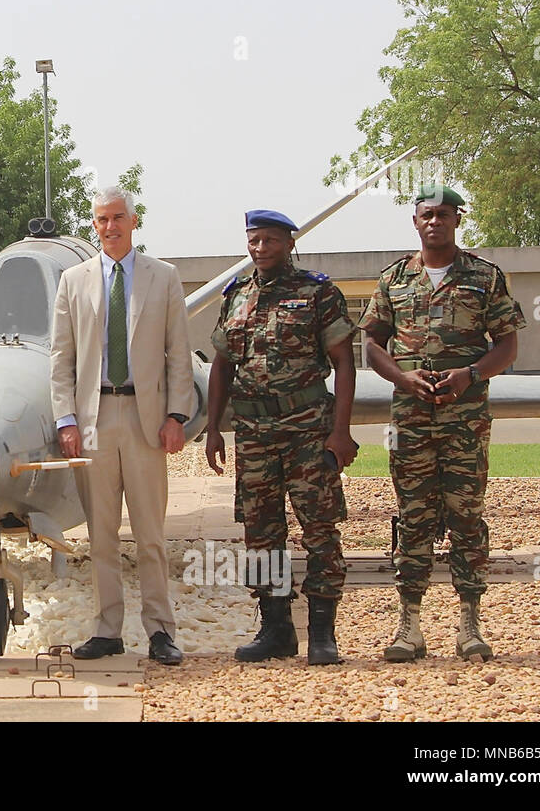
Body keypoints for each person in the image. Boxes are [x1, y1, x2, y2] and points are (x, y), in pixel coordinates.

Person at [360, 184, 525, 662]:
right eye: (426, 215)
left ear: (457, 220)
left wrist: (470, 374)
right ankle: (408, 626)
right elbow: (371, 343)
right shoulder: (394, 279)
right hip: (410, 419)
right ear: (416, 222)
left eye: (444, 215)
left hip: (465, 421)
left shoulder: (484, 277)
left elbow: (507, 345)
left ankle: (469, 624)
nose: (435, 222)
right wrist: (403, 379)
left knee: (466, 517)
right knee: (413, 517)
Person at [50, 187, 197, 664]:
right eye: (100, 220)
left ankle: (160, 631)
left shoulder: (164, 277)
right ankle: (107, 628)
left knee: (151, 532)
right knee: (102, 533)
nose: (109, 227)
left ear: (134, 222)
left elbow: (179, 352)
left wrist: (177, 415)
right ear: (93, 225)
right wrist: (66, 418)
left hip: (145, 418)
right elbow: (62, 357)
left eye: (117, 218)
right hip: (93, 419)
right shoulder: (73, 281)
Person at [205, 210, 358, 665]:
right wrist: (213, 428)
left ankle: (323, 634)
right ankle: (275, 629)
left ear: (290, 244)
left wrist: (341, 431)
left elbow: (344, 363)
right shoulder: (236, 296)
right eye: (254, 240)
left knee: (319, 528)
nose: (260, 248)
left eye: (270, 240)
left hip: (307, 429)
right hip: (253, 433)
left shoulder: (317, 292)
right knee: (260, 533)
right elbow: (222, 365)